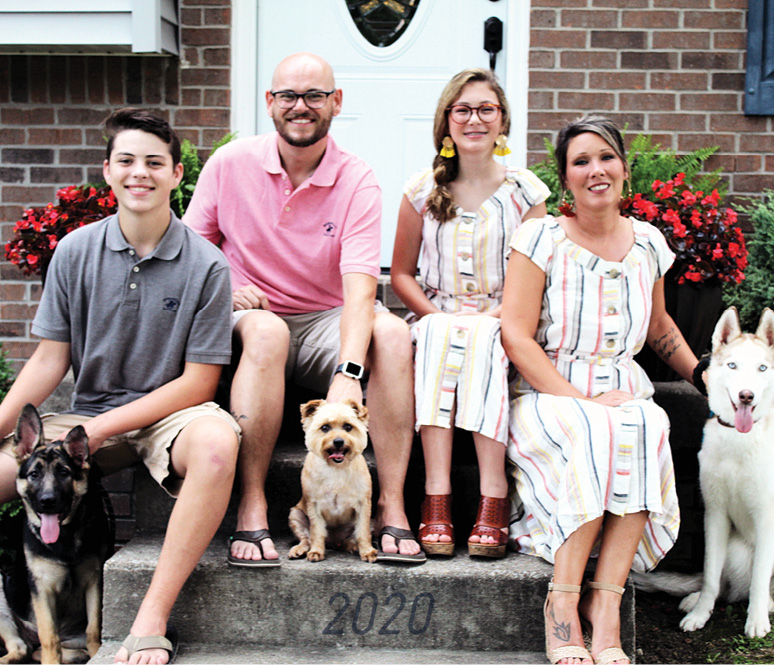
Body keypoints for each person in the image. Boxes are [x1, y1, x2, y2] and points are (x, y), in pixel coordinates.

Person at [0, 108, 241, 665]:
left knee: (218, 444)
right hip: (86, 416)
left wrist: (106, 427)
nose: (141, 173)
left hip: (169, 415)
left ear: (177, 176)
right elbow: (50, 358)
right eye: (127, 160)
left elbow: (201, 380)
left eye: (155, 162)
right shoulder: (74, 251)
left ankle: (149, 621)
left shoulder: (207, 265)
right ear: (107, 171)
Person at [184, 52, 423, 564]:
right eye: (289, 95)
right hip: (250, 318)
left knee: (396, 335)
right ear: (269, 103)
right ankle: (252, 506)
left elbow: (361, 290)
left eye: (314, 95)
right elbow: (187, 257)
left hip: (321, 322)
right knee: (268, 331)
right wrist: (226, 290)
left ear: (336, 102)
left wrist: (349, 371)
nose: (301, 106)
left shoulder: (357, 179)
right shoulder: (229, 164)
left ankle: (391, 505)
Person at [500, 115, 698, 665]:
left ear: (624, 168)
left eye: (605, 157)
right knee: (595, 427)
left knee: (644, 421)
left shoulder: (650, 244)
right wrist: (580, 398)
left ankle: (604, 606)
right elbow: (516, 336)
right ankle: (562, 604)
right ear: (565, 179)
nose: (595, 170)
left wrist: (703, 376)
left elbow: (659, 329)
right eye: (580, 162)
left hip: (621, 389)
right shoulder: (539, 237)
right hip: (549, 394)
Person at [391, 69, 549, 558]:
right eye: (463, 109)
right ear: (446, 122)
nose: (475, 119)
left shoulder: (525, 193)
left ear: (502, 121)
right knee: (443, 333)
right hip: (437, 319)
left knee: (481, 337)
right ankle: (436, 495)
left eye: (486, 109)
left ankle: (492, 494)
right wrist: (435, 315)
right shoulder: (421, 191)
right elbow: (400, 274)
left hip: (507, 318)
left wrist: (495, 318)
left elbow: (535, 277)